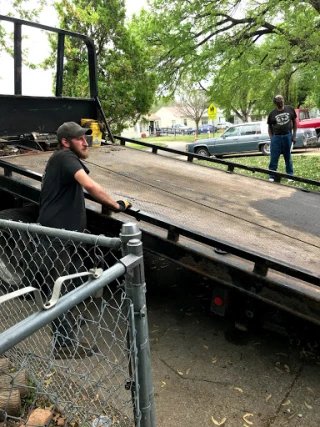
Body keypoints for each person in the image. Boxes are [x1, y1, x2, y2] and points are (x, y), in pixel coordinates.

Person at [37, 121, 132, 358]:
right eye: (78, 138)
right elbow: (89, 185)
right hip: (57, 236)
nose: (84, 141)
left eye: (84, 137)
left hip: (64, 237)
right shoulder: (66, 158)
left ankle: (66, 326)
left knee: (70, 283)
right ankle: (63, 345)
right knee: (58, 288)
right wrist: (115, 204)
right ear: (65, 142)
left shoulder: (60, 159)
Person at [267, 94, 297, 182]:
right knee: (274, 157)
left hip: (287, 136)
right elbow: (269, 127)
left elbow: (295, 123)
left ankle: (290, 175)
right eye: (278, 100)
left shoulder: (290, 109)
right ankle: (272, 176)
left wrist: (294, 135)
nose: (281, 101)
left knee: (287, 156)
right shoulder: (272, 113)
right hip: (276, 137)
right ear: (275, 102)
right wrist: (272, 138)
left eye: (281, 99)